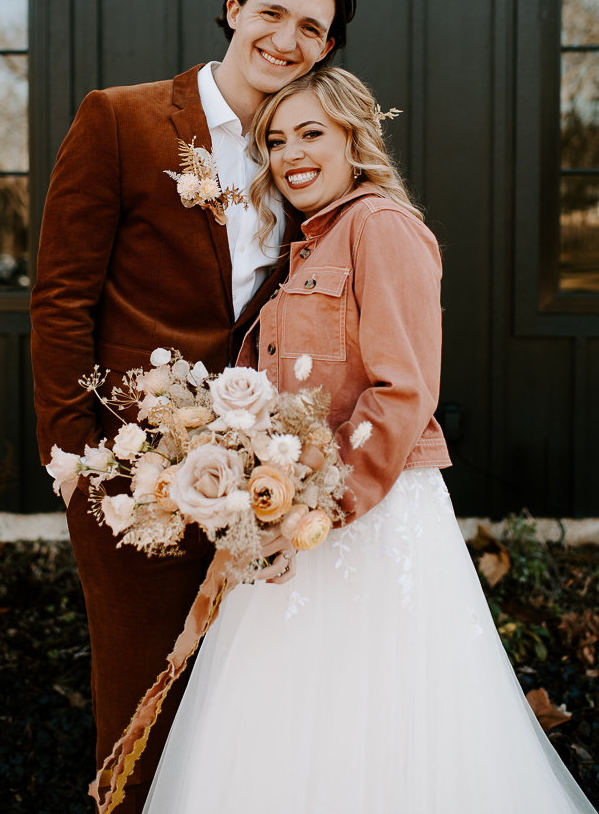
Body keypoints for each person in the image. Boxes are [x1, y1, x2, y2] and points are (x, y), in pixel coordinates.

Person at [141, 68, 596, 814]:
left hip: (366, 516)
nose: (291, 154)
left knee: (376, 715)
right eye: (276, 140)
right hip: (292, 523)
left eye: (312, 132)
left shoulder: (381, 227)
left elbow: (404, 389)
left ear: (357, 137)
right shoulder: (303, 250)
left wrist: (322, 508)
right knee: (280, 719)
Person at [30, 0, 357, 812]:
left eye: (312, 28)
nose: (287, 38)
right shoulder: (121, 119)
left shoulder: (303, 158)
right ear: (232, 9)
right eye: (273, 12)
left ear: (326, 50)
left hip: (259, 485)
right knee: (143, 707)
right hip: (132, 474)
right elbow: (61, 298)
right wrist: (76, 458)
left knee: (239, 714)